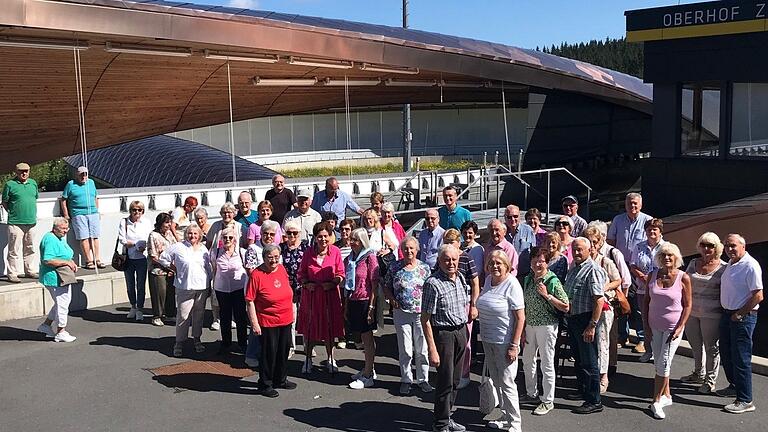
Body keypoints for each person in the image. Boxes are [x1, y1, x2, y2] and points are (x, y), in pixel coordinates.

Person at [421, 245, 470, 432]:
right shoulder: (432, 284)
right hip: (443, 335)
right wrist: (432, 349)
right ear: (440, 261)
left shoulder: (460, 278)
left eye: (454, 259)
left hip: (460, 332)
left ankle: (448, 416)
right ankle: (440, 424)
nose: (451, 263)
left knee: (456, 380)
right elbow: (424, 320)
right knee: (445, 381)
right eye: (446, 260)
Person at [477, 250, 526, 432]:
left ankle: (515, 424)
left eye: (499, 263)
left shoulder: (512, 284)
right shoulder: (489, 281)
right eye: (492, 263)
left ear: (507, 265)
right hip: (488, 339)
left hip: (505, 342)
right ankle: (505, 416)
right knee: (497, 381)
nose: (495, 266)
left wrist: (514, 345)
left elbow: (520, 318)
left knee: (507, 382)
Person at [642, 242, 692, 420]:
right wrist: (646, 326)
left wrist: (680, 327)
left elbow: (687, 305)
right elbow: (646, 301)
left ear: (676, 258)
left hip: (673, 329)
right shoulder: (652, 275)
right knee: (659, 363)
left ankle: (655, 401)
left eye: (670, 255)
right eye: (663, 255)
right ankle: (667, 395)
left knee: (663, 362)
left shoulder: (683, 277)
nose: (667, 258)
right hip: (654, 326)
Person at [521, 246, 569, 416]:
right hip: (530, 325)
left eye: (541, 260)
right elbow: (525, 305)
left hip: (547, 326)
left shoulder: (552, 280)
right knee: (528, 360)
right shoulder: (528, 279)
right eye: (535, 260)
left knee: (547, 363)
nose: (537, 263)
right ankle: (531, 393)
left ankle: (547, 400)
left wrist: (547, 295)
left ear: (547, 263)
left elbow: (565, 306)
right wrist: (523, 328)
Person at [718, 234, 763, 414]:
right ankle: (734, 386)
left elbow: (758, 295)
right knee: (727, 352)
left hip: (742, 317)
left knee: (741, 358)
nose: (729, 249)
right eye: (727, 246)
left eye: (733, 246)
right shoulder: (731, 263)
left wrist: (740, 314)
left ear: (743, 246)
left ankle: (745, 399)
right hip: (728, 314)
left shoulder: (750, 265)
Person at [384, 236, 434, 396]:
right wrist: (391, 299)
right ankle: (406, 379)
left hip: (421, 313)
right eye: (405, 248)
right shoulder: (394, 267)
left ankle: (423, 379)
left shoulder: (425, 268)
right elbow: (385, 285)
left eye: (412, 248)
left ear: (417, 250)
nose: (408, 251)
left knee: (422, 348)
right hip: (401, 312)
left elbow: (431, 289)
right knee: (405, 348)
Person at [246, 244, 296, 398]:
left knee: (283, 350)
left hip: (285, 318)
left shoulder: (281, 269)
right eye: (270, 257)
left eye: (276, 257)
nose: (273, 260)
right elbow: (250, 301)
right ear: (264, 258)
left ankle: (280, 379)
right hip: (268, 321)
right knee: (269, 353)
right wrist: (254, 323)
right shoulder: (257, 274)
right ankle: (265, 383)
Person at [563, 237, 605, 414]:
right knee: (579, 359)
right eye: (575, 249)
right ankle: (583, 390)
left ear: (589, 250)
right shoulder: (574, 268)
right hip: (573, 319)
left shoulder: (593, 270)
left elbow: (598, 300)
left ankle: (594, 400)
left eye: (580, 249)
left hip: (586, 319)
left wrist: (592, 325)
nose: (577, 252)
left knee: (589, 361)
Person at [297, 221, 345, 375]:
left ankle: (331, 358)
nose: (323, 239)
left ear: (330, 237)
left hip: (330, 296)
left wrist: (333, 283)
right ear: (315, 237)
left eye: (326, 236)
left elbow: (341, 274)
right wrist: (306, 284)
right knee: (310, 328)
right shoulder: (308, 253)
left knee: (329, 328)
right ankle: (308, 359)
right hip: (311, 296)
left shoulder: (336, 252)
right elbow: (301, 274)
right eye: (320, 236)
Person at [682, 232, 726, 394]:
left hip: (712, 314)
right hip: (692, 312)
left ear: (717, 248)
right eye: (703, 245)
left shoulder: (723, 267)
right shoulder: (693, 263)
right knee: (695, 346)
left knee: (711, 347)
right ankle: (698, 373)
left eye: (710, 245)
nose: (706, 248)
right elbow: (684, 284)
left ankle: (710, 380)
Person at [159, 224, 211, 358]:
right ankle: (179, 342)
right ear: (186, 234)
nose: (192, 236)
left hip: (201, 286)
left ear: (199, 235)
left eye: (195, 233)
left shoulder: (203, 249)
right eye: (190, 233)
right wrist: (173, 269)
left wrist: (210, 284)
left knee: (199, 315)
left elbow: (208, 268)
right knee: (183, 316)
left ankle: (197, 339)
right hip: (184, 286)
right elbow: (163, 258)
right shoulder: (178, 247)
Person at [583, 226, 621, 394]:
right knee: (589, 343)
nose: (591, 245)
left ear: (599, 243)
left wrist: (603, 288)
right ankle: (589, 375)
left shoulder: (605, 261)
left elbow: (618, 280)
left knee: (602, 342)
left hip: (604, 306)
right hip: (586, 306)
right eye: (588, 241)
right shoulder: (580, 262)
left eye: (594, 242)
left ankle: (603, 376)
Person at [441, 228, 479, 390]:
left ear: (459, 242)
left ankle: (464, 373)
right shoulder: (442, 259)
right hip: (448, 304)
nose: (450, 245)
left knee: (465, 342)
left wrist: (473, 305)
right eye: (447, 243)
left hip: (464, 304)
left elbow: (475, 283)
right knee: (449, 343)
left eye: (453, 242)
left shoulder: (466, 258)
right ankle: (450, 374)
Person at [344, 228, 380, 389]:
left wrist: (372, 307)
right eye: (351, 239)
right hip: (353, 299)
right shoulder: (351, 258)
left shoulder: (369, 257)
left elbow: (374, 284)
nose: (352, 242)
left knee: (367, 338)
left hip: (366, 300)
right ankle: (367, 368)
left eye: (355, 240)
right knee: (359, 337)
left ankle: (368, 374)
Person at [243, 220, 280, 367]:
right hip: (257, 292)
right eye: (266, 234)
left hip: (273, 292)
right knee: (256, 323)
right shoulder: (253, 248)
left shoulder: (276, 248)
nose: (269, 237)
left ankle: (265, 353)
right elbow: (251, 270)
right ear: (260, 234)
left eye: (272, 234)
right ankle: (251, 354)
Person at [36, 218, 78, 343]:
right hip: (55, 277)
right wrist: (66, 262)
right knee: (63, 304)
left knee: (61, 303)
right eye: (63, 229)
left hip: (62, 276)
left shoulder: (59, 237)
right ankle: (61, 331)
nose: (66, 231)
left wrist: (70, 262)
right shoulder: (50, 239)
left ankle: (46, 325)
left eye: (67, 228)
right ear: (55, 228)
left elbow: (64, 254)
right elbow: (47, 260)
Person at [629, 218, 666, 362]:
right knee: (645, 319)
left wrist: (655, 279)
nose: (651, 232)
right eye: (649, 229)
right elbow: (633, 265)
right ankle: (648, 350)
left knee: (659, 320)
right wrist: (643, 277)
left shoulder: (666, 247)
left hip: (660, 290)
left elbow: (671, 268)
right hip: (642, 289)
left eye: (654, 229)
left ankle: (660, 353)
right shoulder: (639, 246)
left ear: (660, 231)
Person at [207, 202, 245, 331]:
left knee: (235, 291)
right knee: (216, 290)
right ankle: (216, 318)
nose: (227, 215)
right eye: (224, 212)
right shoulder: (216, 225)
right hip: (217, 259)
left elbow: (243, 244)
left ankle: (233, 318)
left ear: (234, 214)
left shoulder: (239, 227)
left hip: (234, 259)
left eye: (229, 212)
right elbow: (209, 243)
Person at [210, 227, 249, 354]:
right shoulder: (215, 253)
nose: (227, 239)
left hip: (238, 288)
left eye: (230, 237)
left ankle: (242, 343)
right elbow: (214, 270)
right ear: (221, 239)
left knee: (240, 317)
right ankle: (226, 343)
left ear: (235, 239)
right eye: (225, 237)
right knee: (225, 317)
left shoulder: (242, 253)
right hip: (222, 289)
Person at [60, 166, 104, 269]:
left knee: (95, 236)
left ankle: (97, 259)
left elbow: (95, 197)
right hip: (78, 213)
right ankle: (88, 260)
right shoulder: (71, 184)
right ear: (77, 175)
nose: (84, 177)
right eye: (81, 174)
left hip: (92, 213)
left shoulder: (91, 182)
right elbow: (63, 200)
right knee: (84, 237)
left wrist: (96, 210)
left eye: (85, 174)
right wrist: (66, 214)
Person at [2, 162, 39, 283]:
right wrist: (14, 212)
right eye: (21, 171)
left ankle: (29, 270)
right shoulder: (10, 185)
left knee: (30, 247)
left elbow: (35, 198)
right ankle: (12, 273)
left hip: (31, 222)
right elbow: (5, 202)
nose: (24, 173)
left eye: (26, 171)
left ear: (29, 171)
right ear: (16, 172)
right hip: (15, 223)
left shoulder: (33, 183)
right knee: (14, 249)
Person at [117, 200, 152, 322]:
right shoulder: (124, 222)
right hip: (128, 257)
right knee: (130, 285)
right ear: (130, 211)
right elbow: (123, 240)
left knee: (141, 285)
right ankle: (133, 305)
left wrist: (143, 246)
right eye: (134, 210)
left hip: (142, 258)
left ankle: (140, 309)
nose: (137, 212)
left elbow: (149, 237)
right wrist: (136, 245)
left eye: (139, 210)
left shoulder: (146, 222)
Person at [281, 219, 311, 358]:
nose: (292, 236)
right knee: (291, 319)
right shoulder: (281, 248)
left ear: (299, 233)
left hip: (304, 288)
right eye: (289, 233)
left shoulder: (306, 248)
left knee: (305, 318)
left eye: (295, 233)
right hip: (288, 289)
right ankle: (290, 346)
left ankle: (308, 346)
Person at [147, 212, 177, 326]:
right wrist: (167, 266)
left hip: (170, 269)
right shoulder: (153, 235)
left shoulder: (169, 234)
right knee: (159, 293)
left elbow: (175, 248)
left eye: (170, 222)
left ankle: (169, 314)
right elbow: (153, 256)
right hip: (158, 269)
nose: (169, 225)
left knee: (170, 292)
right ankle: (157, 316)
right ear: (160, 223)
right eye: (166, 222)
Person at [504, 204, 535, 278]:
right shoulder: (501, 231)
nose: (512, 219)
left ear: (520, 216)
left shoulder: (528, 230)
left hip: (524, 274)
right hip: (506, 275)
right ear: (505, 218)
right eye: (509, 217)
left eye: (515, 216)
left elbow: (534, 252)